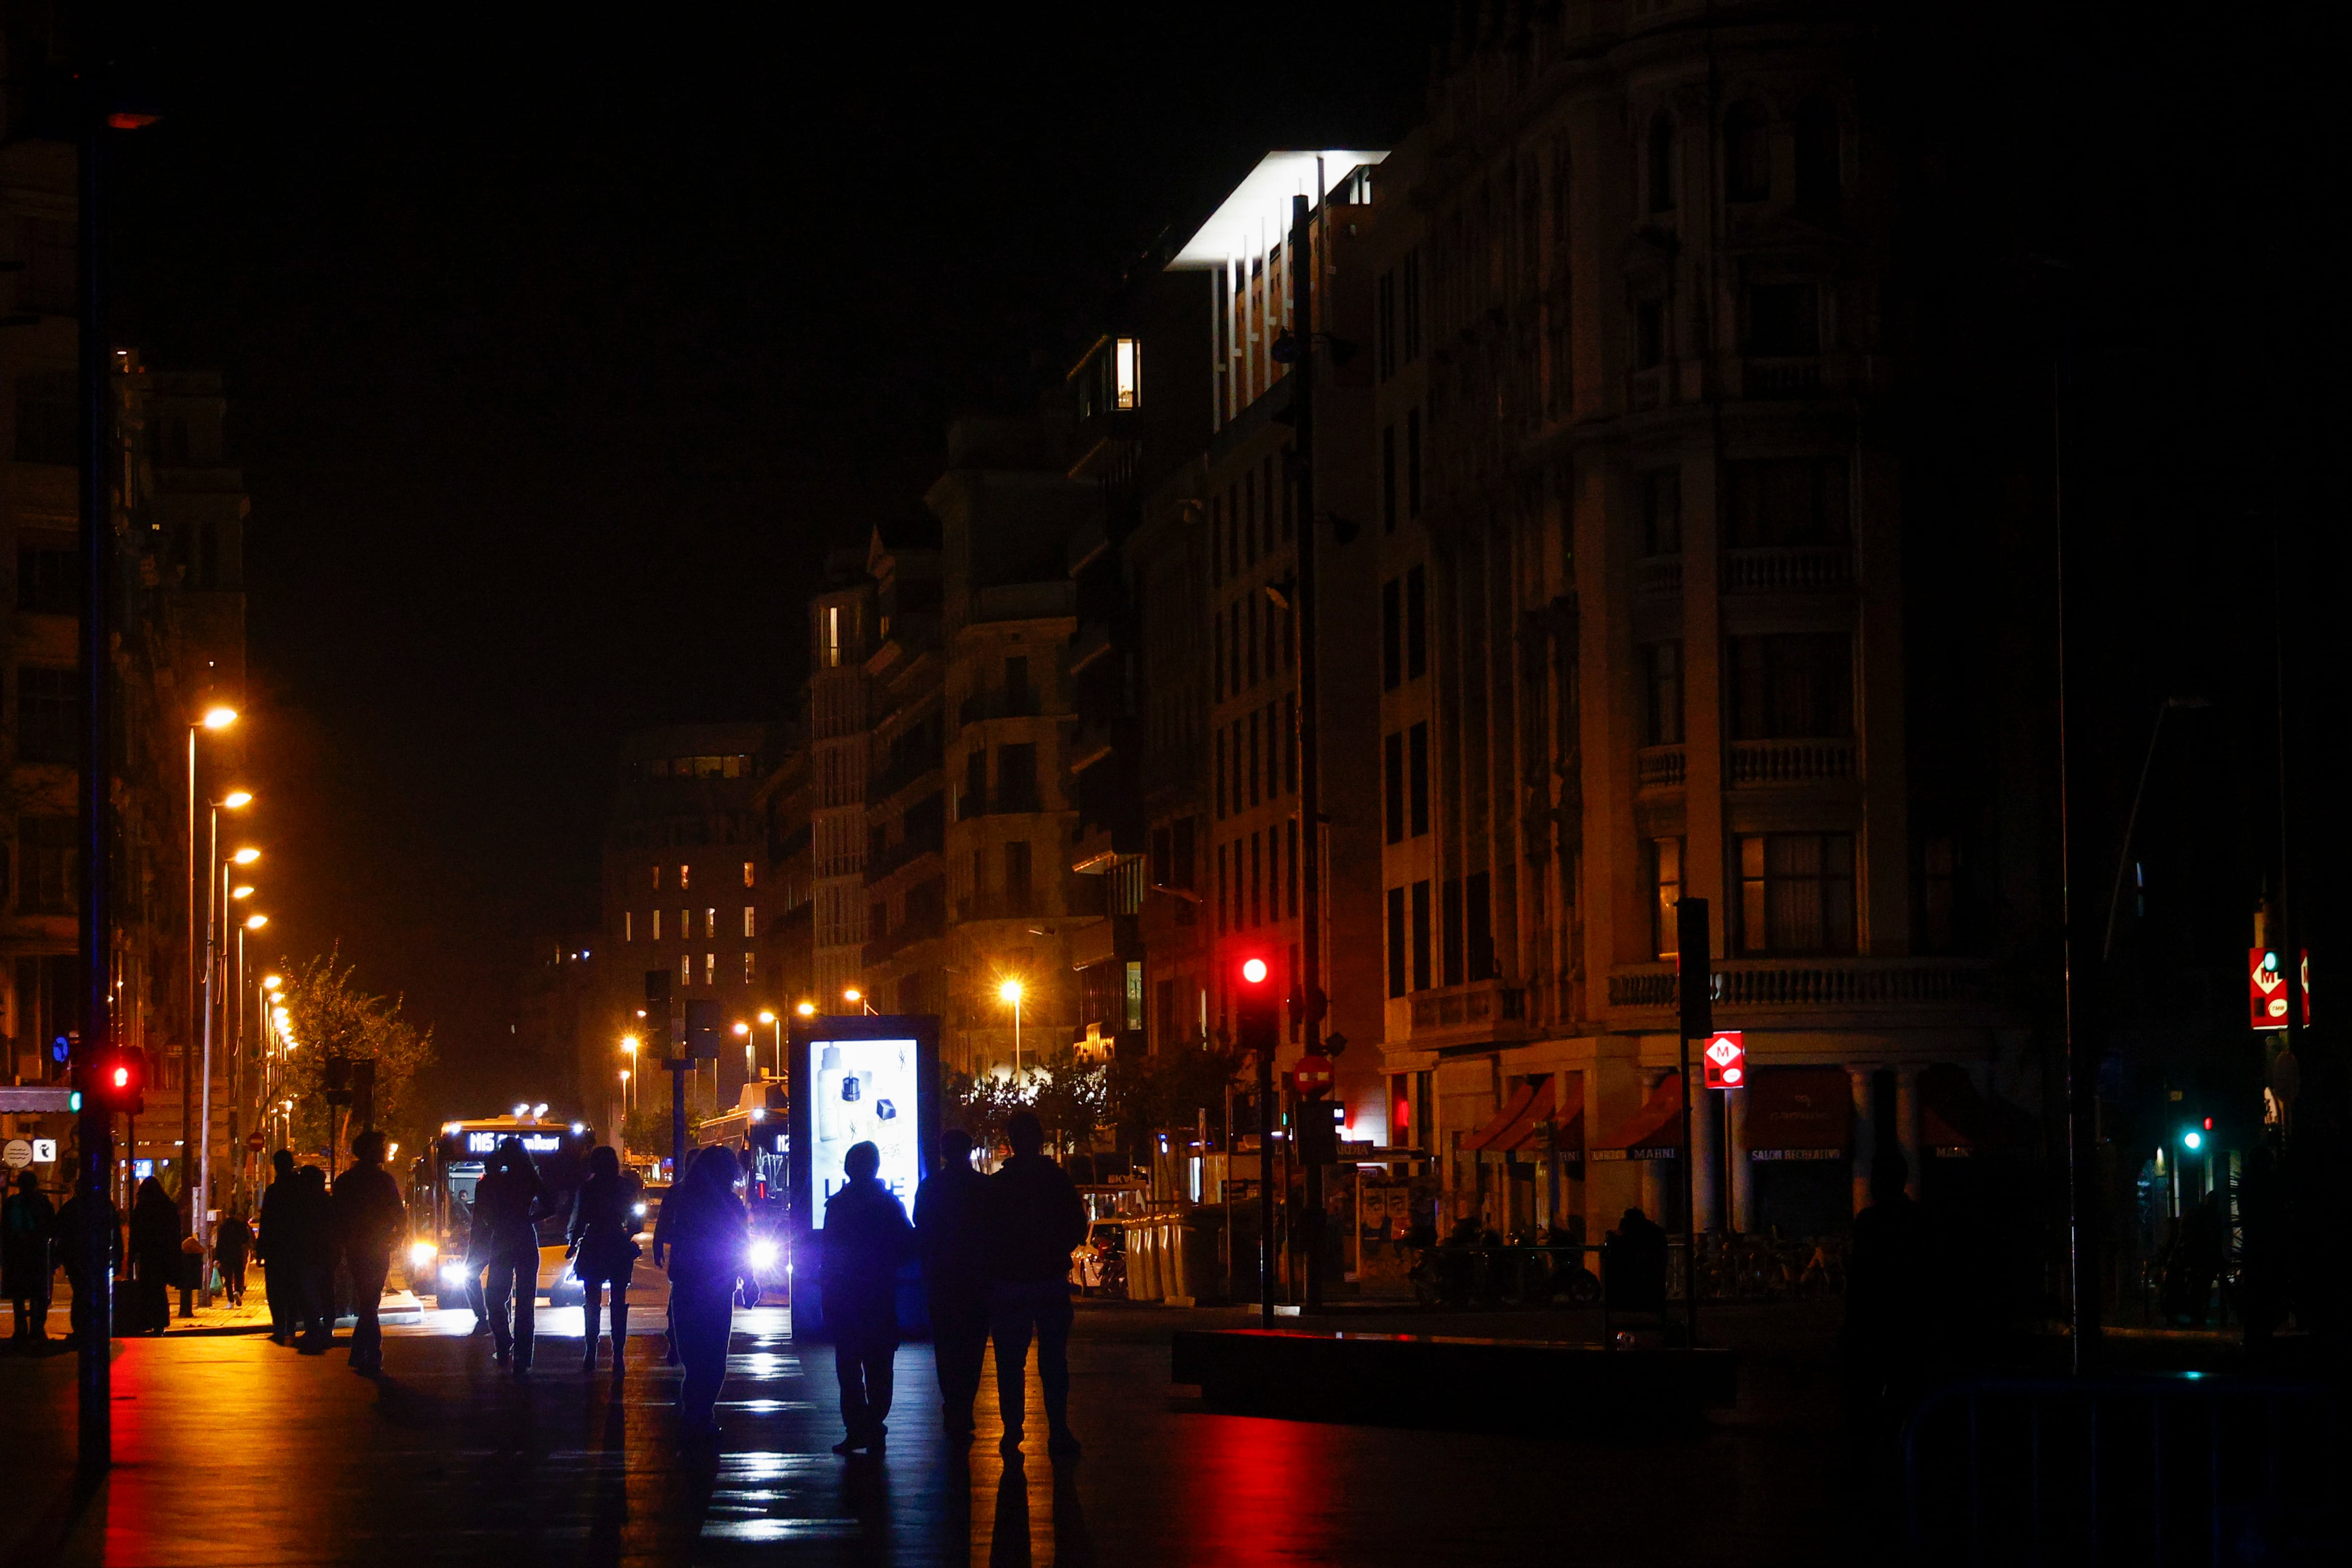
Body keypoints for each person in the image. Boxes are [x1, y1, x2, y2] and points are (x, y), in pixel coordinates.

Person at [985, 1110, 1088, 1458]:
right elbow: (1076, 1225)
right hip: (1049, 1278)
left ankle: (1012, 1429)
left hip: (1009, 1281)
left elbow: (985, 1235)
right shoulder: (1056, 1181)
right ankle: (1057, 1428)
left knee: (1009, 1361)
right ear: (1040, 1140)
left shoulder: (998, 1186)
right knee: (1054, 1360)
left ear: (1010, 1143)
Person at [823, 1139, 914, 1455]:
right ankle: (874, 1423)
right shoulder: (888, 1205)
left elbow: (828, 1256)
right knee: (879, 1367)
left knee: (849, 1369)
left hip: (847, 1297)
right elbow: (907, 1246)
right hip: (878, 1295)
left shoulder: (837, 1206)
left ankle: (857, 1428)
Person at [665, 1146, 749, 1442]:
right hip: (718, 1288)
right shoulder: (732, 1205)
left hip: (687, 1286)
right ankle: (702, 1415)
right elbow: (742, 1246)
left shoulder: (684, 1202)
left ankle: (694, 1415)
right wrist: (748, 1281)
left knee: (693, 1357)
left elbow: (679, 1245)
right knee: (714, 1357)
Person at [915, 1127, 992, 1441]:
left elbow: (922, 1226)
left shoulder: (932, 1187)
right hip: (976, 1279)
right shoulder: (983, 1188)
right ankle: (965, 1407)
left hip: (943, 1278)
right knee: (973, 1348)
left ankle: (953, 1405)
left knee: (946, 1348)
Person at [331, 1131, 408, 1372]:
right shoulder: (384, 1181)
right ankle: (369, 1349)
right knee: (370, 1299)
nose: (385, 1151)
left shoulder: (345, 1181)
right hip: (376, 1246)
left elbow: (337, 1218)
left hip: (355, 1247)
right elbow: (399, 1215)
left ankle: (361, 1349)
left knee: (368, 1298)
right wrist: (396, 1238)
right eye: (382, 1147)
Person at [472, 1137, 547, 1377]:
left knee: (495, 1296)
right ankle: (523, 1357)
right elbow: (551, 1206)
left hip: (503, 1241)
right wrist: (528, 1219)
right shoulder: (529, 1179)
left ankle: (503, 1342)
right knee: (526, 1303)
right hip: (525, 1239)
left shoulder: (494, 1182)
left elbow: (480, 1218)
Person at [568, 1145, 639, 1379]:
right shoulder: (626, 1187)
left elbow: (579, 1221)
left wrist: (573, 1245)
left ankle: (592, 1350)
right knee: (619, 1302)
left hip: (594, 1245)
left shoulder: (588, 1189)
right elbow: (637, 1220)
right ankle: (618, 1354)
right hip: (618, 1245)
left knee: (592, 1301)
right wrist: (627, 1235)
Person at [53, 1184, 119, 1339]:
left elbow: (58, 1232)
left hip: (76, 1259)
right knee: (96, 1293)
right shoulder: (104, 1207)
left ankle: (81, 1328)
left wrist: (60, 1256)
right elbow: (114, 1233)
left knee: (80, 1294)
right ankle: (95, 1328)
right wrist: (117, 1256)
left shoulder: (72, 1208)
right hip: (98, 1258)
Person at [4, 1172, 57, 1345]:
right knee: (39, 1296)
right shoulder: (43, 1203)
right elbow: (52, 1230)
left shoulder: (12, 1203)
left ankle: (20, 1330)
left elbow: (4, 1231)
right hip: (37, 1255)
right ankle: (37, 1329)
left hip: (16, 1256)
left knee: (18, 1296)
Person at [255, 1150, 301, 1342]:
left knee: (276, 1291)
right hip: (296, 1249)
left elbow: (266, 1223)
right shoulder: (300, 1189)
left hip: (277, 1250)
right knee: (293, 1290)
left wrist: (261, 1250)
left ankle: (281, 1327)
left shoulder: (274, 1191)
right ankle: (289, 1328)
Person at [291, 1164, 337, 1351]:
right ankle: (325, 1327)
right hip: (324, 1255)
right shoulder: (327, 1202)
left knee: (310, 1292)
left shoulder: (301, 1204)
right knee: (325, 1291)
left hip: (309, 1255)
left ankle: (315, 1328)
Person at [129, 1176, 181, 1336]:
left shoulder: (142, 1208)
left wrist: (133, 1254)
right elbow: (175, 1234)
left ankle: (147, 1320)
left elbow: (136, 1234)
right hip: (164, 1256)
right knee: (159, 1289)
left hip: (147, 1256)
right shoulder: (168, 1207)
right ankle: (160, 1322)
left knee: (147, 1288)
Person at [213, 1208, 253, 1308]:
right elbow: (246, 1239)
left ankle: (231, 1301)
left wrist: (217, 1257)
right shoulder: (241, 1225)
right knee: (239, 1275)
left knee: (228, 1278)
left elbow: (219, 1243)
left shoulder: (223, 1227)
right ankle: (238, 1291)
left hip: (226, 1256)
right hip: (238, 1254)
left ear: (227, 1215)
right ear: (235, 1214)